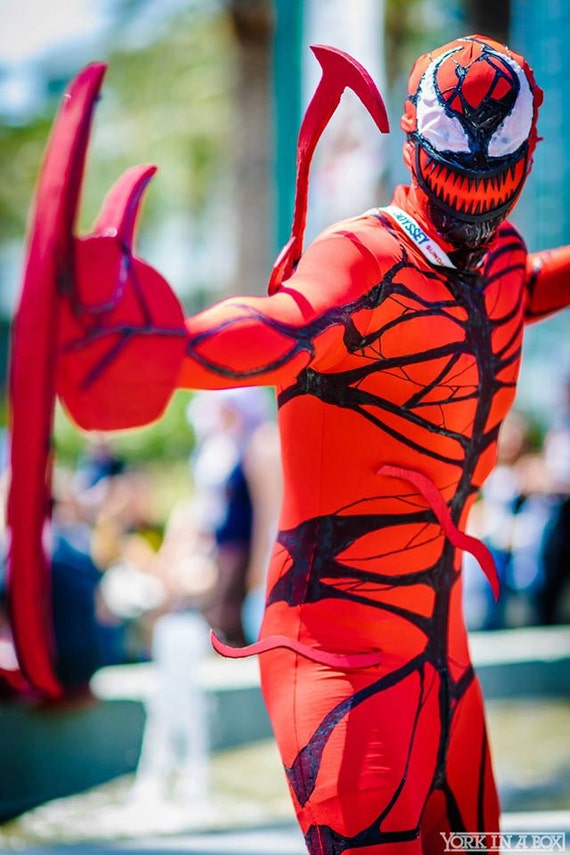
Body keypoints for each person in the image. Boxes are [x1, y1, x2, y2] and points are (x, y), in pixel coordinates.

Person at [37, 33, 570, 853]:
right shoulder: (361, 258)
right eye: (458, 180)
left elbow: (520, 289)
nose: (474, 204)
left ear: (527, 153)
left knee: (476, 849)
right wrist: (160, 349)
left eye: (489, 184)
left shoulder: (495, 258)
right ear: (416, 146)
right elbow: (282, 323)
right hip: (340, 647)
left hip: (442, 640)